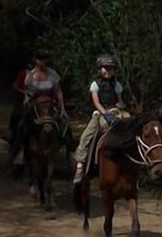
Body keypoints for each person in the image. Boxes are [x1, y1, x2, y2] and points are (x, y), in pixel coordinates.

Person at [73, 54, 126, 183]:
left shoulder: (116, 84)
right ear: (99, 69)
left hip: (115, 111)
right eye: (105, 68)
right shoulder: (95, 84)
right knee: (87, 135)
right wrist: (105, 114)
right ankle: (80, 164)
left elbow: (120, 100)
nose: (108, 71)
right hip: (100, 112)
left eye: (110, 68)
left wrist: (120, 106)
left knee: (130, 125)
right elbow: (96, 102)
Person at [9, 49, 69, 162]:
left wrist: (62, 108)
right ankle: (18, 147)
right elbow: (28, 91)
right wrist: (31, 97)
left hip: (50, 103)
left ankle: (68, 147)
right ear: (35, 60)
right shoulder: (30, 75)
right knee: (23, 123)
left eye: (44, 58)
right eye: (39, 58)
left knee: (64, 124)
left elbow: (58, 91)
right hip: (35, 103)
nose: (42, 61)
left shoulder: (52, 74)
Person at [3, 59, 32, 143]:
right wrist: (23, 92)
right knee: (15, 114)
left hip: (37, 99)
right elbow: (15, 86)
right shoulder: (22, 74)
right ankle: (10, 133)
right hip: (22, 99)